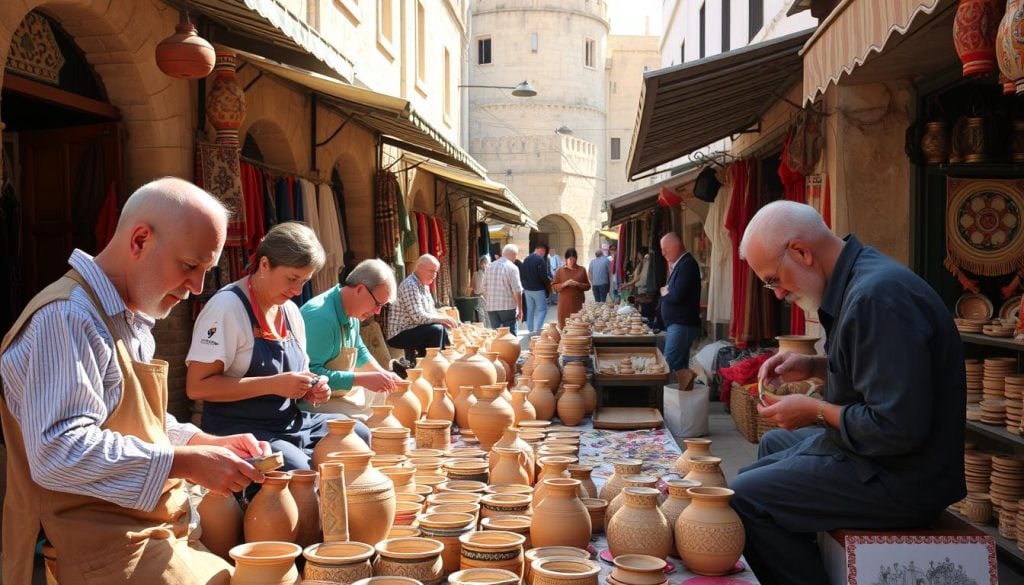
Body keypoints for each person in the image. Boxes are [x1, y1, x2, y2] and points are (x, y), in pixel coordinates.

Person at [0, 177, 264, 584]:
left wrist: (202, 442)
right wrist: (186, 463)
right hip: (96, 548)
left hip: (144, 529)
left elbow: (133, 422)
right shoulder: (68, 317)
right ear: (140, 240)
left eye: (204, 272)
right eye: (190, 266)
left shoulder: (127, 317)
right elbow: (58, 450)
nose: (195, 289)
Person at [730, 200, 966, 585]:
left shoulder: (877, 297)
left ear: (801, 252)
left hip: (904, 477)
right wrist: (815, 367)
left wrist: (814, 409)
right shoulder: (859, 278)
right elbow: (883, 372)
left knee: (743, 497)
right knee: (772, 446)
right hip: (878, 457)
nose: (776, 294)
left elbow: (895, 427)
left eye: (773, 279)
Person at [186, 222, 369, 473]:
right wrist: (273, 384)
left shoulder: (290, 312)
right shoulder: (226, 308)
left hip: (288, 422)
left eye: (304, 281)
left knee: (356, 433)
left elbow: (302, 374)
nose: (297, 290)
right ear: (264, 264)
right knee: (297, 470)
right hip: (239, 429)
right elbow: (197, 387)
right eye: (292, 279)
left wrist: (313, 388)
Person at [302, 259, 402, 421]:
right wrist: (361, 379)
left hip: (339, 394)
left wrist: (383, 374)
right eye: (377, 304)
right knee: (359, 422)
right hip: (312, 402)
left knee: (383, 395)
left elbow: (360, 352)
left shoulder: (353, 312)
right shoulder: (320, 317)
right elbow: (310, 376)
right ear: (360, 289)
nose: (377, 311)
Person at [386, 254, 458, 363]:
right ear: (420, 268)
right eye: (431, 271)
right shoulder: (410, 285)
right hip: (399, 333)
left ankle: (443, 361)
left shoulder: (424, 286)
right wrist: (441, 319)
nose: (434, 275)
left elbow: (431, 313)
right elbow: (418, 317)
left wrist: (443, 320)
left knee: (442, 329)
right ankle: (432, 365)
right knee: (436, 330)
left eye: (436, 272)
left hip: (414, 328)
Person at [659, 233, 702, 372]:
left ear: (676, 246)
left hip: (682, 325)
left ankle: (670, 393)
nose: (663, 252)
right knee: (679, 369)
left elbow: (676, 295)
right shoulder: (681, 264)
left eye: (665, 248)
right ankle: (679, 393)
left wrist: (665, 292)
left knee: (669, 368)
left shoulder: (686, 264)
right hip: (679, 325)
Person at [482, 244, 524, 334]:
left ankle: (498, 348)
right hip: (508, 306)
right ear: (514, 255)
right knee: (510, 335)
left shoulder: (489, 267)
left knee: (496, 335)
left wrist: (490, 299)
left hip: (491, 307)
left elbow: (483, 287)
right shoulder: (512, 268)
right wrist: (520, 309)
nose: (516, 259)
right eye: (516, 256)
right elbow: (517, 290)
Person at [550, 248, 591, 328]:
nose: (572, 261)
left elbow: (588, 286)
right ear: (566, 259)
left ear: (576, 259)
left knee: (577, 327)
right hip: (564, 304)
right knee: (564, 326)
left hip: (578, 303)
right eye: (570, 259)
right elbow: (553, 287)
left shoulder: (582, 270)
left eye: (574, 259)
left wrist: (578, 284)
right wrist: (564, 284)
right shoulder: (560, 271)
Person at [521, 243, 551, 337]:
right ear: (541, 250)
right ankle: (538, 329)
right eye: (544, 252)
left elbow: (522, 274)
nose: (544, 254)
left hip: (527, 289)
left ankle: (530, 330)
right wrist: (548, 287)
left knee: (530, 310)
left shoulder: (526, 259)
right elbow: (543, 276)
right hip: (538, 289)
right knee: (542, 310)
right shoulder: (540, 260)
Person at [468, 255, 491, 323]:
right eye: (482, 263)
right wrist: (469, 296)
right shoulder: (476, 274)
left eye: (485, 262)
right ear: (480, 264)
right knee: (481, 315)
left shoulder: (490, 274)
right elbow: (471, 286)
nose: (484, 264)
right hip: (478, 297)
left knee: (487, 315)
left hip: (487, 297)